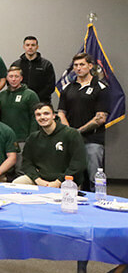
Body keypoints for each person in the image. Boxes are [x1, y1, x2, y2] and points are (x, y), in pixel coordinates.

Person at [58, 53, 109, 191]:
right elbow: (61, 112)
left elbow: (101, 118)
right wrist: (69, 131)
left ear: (90, 66)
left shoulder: (100, 87)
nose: (78, 68)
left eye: (82, 64)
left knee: (94, 179)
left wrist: (78, 131)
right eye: (75, 65)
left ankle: (98, 208)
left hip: (92, 140)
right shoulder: (68, 87)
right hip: (71, 141)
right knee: (70, 178)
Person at [13, 103, 87, 188]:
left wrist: (58, 182)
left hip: (66, 181)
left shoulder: (71, 134)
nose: (42, 117)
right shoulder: (33, 138)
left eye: (46, 113)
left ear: (54, 116)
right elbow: (27, 163)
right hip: (41, 180)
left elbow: (78, 164)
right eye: (38, 115)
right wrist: (37, 180)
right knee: (17, 183)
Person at [0, 66, 40, 172]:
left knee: (21, 170)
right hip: (5, 140)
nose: (13, 79)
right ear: (7, 78)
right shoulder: (1, 95)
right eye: (11, 76)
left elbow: (36, 117)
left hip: (23, 139)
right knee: (6, 171)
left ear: (21, 78)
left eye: (16, 76)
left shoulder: (30, 95)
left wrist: (32, 137)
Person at [12, 36, 56, 103]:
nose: (30, 47)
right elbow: (11, 82)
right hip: (21, 101)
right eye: (27, 45)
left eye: (33, 45)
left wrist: (35, 97)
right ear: (24, 47)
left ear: (37, 47)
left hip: (41, 101)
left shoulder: (46, 65)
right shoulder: (16, 64)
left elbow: (50, 86)